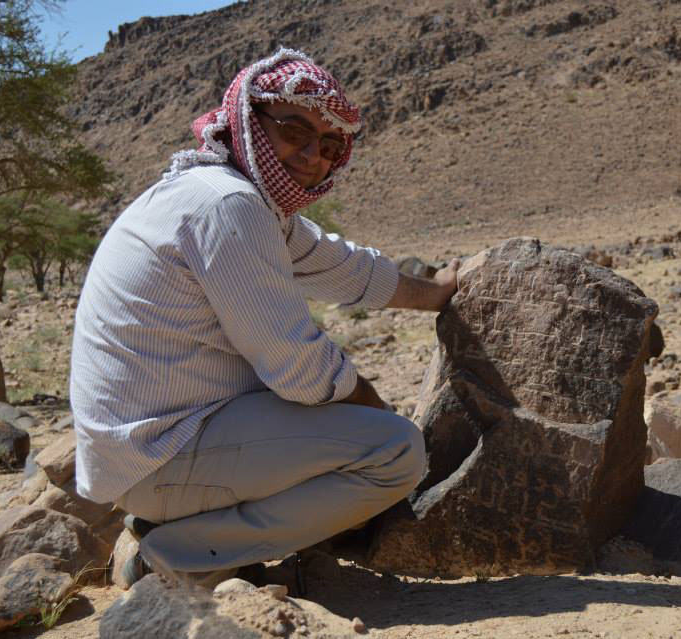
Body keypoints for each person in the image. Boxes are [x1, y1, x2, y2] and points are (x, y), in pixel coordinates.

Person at [69, 48, 459, 587]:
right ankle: (178, 553)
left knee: (357, 433)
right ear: (250, 122)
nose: (312, 157)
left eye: (327, 145)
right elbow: (297, 368)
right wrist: (382, 411)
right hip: (161, 454)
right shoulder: (228, 205)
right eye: (293, 130)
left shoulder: (236, 198)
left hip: (158, 446)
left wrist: (437, 292)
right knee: (392, 451)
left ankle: (202, 526)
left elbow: (341, 267)